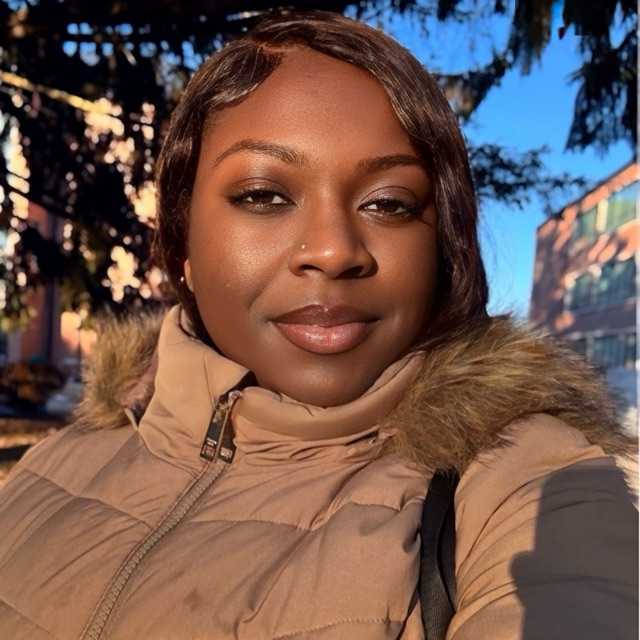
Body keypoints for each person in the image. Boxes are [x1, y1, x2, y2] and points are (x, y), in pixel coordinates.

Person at [0, 10, 637, 640]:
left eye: (388, 203)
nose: (334, 251)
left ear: (443, 249)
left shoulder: (525, 478)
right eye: (263, 196)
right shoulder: (55, 461)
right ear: (182, 244)